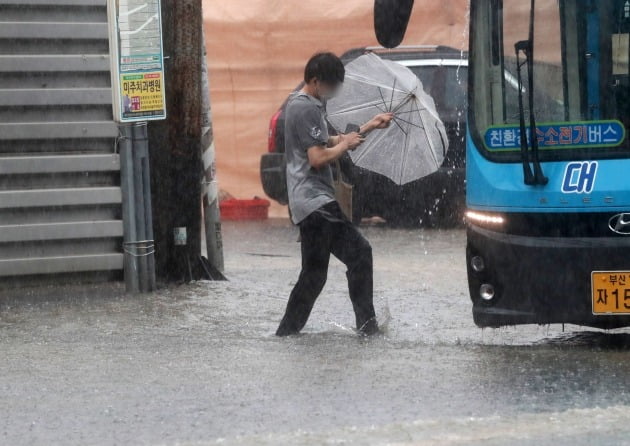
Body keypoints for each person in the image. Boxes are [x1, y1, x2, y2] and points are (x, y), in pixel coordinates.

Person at [276, 52, 393, 337]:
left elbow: (325, 141)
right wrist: (344, 146)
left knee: (314, 275)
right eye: (332, 86)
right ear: (316, 81)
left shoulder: (303, 105)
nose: (334, 92)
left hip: (308, 204)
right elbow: (317, 157)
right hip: (317, 203)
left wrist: (368, 126)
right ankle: (368, 328)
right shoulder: (305, 108)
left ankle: (286, 334)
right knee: (360, 254)